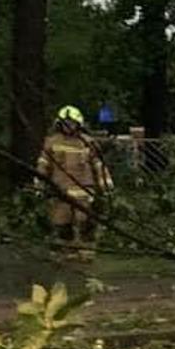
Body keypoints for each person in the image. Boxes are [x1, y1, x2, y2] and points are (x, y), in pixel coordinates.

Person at [35, 105, 109, 260]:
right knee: (61, 222)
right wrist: (39, 182)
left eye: (72, 123)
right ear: (59, 124)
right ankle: (65, 252)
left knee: (85, 221)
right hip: (60, 189)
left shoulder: (87, 142)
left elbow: (98, 165)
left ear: (78, 124)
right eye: (65, 123)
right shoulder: (51, 142)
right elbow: (43, 164)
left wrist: (105, 184)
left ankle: (86, 252)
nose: (69, 126)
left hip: (84, 189)